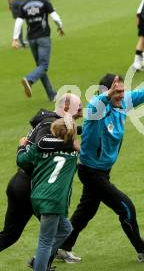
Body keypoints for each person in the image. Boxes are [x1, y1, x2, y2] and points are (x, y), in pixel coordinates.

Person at [57, 67, 144, 263]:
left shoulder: (123, 103)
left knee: (86, 211)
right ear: (106, 93)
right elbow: (96, 104)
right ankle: (143, 251)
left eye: (123, 91)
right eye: (116, 92)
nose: (121, 95)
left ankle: (62, 247)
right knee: (126, 208)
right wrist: (106, 96)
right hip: (91, 172)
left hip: (102, 171)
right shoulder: (95, 110)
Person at [0, 94, 82, 254]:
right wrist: (71, 145)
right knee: (13, 235)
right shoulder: (48, 124)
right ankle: (41, 263)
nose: (81, 111)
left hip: (29, 184)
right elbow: (41, 143)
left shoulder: (51, 123)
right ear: (66, 108)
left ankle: (43, 262)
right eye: (78, 108)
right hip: (29, 186)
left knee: (60, 230)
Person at [17, 116, 79, 271]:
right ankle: (40, 265)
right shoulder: (74, 153)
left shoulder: (39, 148)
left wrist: (22, 147)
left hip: (38, 196)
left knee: (66, 230)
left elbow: (22, 161)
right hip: (53, 200)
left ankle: (38, 261)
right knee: (45, 242)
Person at [12, 0, 65, 101]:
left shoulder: (23, 4)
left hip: (31, 39)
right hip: (43, 38)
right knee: (43, 66)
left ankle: (51, 94)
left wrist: (15, 39)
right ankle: (29, 80)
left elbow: (18, 22)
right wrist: (60, 27)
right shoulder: (44, 1)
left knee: (40, 67)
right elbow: (55, 17)